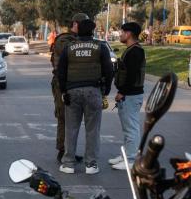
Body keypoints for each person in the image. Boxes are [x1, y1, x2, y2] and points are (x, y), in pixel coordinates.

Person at [57, 18, 114, 174]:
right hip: (93, 91)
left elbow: (61, 72)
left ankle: (68, 164)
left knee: (71, 129)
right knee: (93, 130)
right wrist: (106, 90)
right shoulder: (100, 47)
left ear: (78, 31)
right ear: (92, 31)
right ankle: (91, 164)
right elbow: (109, 70)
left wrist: (63, 91)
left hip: (72, 92)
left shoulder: (69, 48)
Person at [51, 13, 88, 163]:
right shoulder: (64, 40)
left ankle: (69, 150)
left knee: (74, 119)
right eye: (84, 25)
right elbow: (72, 53)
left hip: (76, 82)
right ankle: (62, 151)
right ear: (76, 24)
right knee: (64, 117)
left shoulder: (80, 39)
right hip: (62, 83)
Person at [109, 22, 145, 171]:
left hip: (130, 95)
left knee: (131, 129)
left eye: (122, 32)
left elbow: (131, 75)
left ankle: (131, 160)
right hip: (129, 95)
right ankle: (127, 155)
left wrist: (122, 92)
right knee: (128, 128)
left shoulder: (135, 51)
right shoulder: (131, 50)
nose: (120, 34)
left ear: (129, 34)